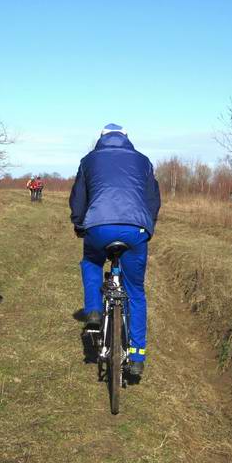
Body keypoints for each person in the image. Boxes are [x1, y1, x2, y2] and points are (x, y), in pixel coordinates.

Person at [69, 124, 161, 376]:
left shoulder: (88, 160)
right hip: (136, 229)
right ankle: (137, 356)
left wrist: (79, 224)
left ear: (101, 139)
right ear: (126, 138)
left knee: (91, 262)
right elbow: (153, 198)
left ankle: (94, 311)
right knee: (136, 291)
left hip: (99, 227)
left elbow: (79, 197)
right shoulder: (143, 161)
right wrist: (147, 224)